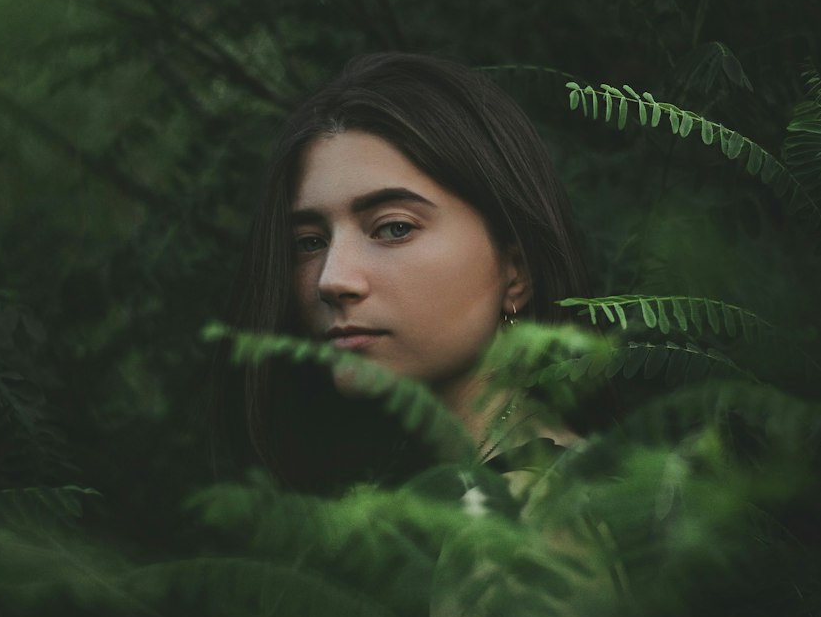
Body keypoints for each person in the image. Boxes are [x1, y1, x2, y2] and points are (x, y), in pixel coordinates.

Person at [221, 51, 601, 492]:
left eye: (394, 228)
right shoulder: (489, 487)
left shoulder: (517, 520)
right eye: (310, 242)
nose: (331, 280)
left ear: (516, 271)